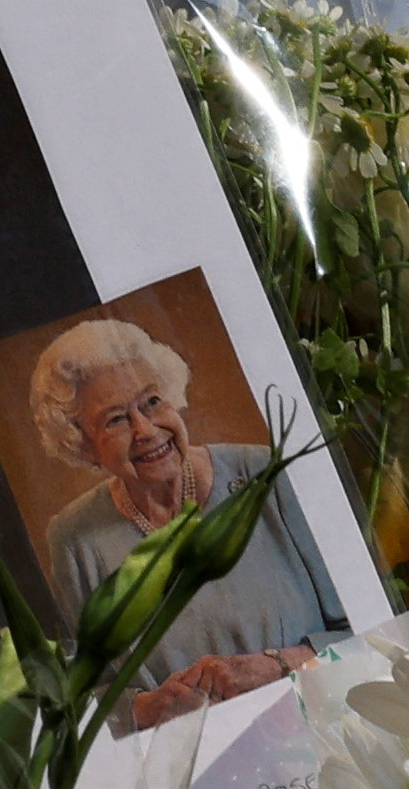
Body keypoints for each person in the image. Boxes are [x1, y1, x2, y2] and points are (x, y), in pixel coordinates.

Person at [26, 309, 331, 721]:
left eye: (151, 402)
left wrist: (278, 664)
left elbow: (368, 618)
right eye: (116, 419)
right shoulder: (74, 538)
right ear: (83, 445)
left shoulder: (267, 474)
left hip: (323, 719)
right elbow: (83, 693)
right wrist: (146, 708)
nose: (145, 430)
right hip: (193, 753)